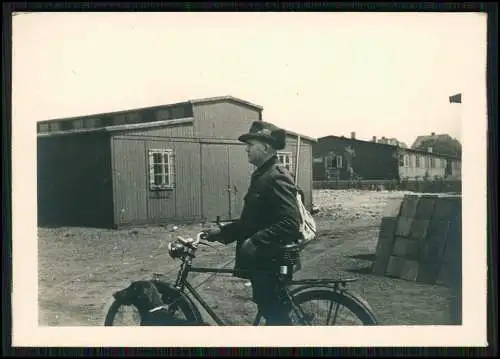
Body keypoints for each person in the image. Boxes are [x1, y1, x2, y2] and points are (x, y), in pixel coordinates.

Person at [204, 120, 303, 326]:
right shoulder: (262, 176)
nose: (246, 149)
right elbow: (252, 222)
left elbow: (290, 222)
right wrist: (221, 232)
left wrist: (256, 241)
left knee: (277, 320)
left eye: (251, 144)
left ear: (265, 147)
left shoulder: (275, 176)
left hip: (272, 262)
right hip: (264, 263)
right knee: (271, 315)